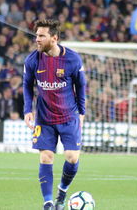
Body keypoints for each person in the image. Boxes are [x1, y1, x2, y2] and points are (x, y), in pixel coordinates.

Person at [23, 19, 86, 210]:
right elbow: (27, 86)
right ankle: (48, 203)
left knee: (72, 157)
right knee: (46, 157)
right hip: (44, 117)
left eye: (42, 36)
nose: (37, 40)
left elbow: (81, 86)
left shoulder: (73, 59)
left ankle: (62, 191)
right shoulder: (32, 60)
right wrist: (27, 110)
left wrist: (81, 113)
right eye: (36, 35)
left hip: (69, 117)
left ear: (54, 38)